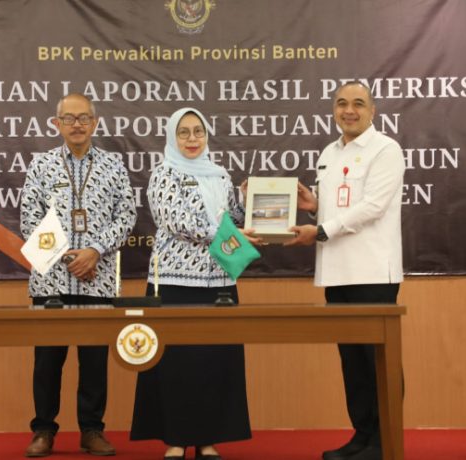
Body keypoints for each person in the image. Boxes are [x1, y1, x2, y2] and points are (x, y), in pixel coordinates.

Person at [130, 107, 258, 460]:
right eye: (183, 132)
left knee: (215, 361)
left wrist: (248, 203)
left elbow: (232, 219)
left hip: (219, 279)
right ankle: (175, 438)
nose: (191, 139)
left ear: (206, 135)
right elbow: (174, 220)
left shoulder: (220, 175)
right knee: (176, 363)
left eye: (198, 132)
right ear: (173, 137)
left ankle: (207, 439)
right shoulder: (163, 173)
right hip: (175, 281)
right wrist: (225, 232)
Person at [285, 82, 404, 460]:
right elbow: (339, 206)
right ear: (333, 110)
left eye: (357, 104)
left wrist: (320, 229)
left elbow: (372, 207)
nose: (348, 110)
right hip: (336, 273)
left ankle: (384, 442)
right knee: (352, 362)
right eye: (341, 104)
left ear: (372, 110)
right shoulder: (329, 152)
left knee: (377, 361)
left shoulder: (386, 149)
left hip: (372, 272)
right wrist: (314, 205)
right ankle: (362, 435)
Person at [20, 93, 137, 457]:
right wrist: (68, 257)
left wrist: (94, 251)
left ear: (95, 123)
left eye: (84, 118)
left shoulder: (113, 166)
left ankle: (91, 430)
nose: (76, 125)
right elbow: (29, 219)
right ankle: (43, 430)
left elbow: (127, 216)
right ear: (57, 124)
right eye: (69, 118)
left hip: (97, 280)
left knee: (94, 363)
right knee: (47, 363)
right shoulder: (41, 165)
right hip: (50, 282)